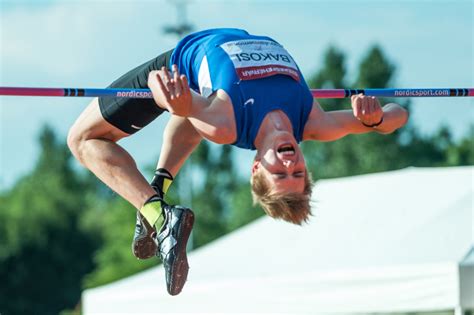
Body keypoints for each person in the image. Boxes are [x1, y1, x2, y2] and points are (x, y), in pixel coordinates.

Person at [67, 28, 408, 295]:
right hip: (213, 76)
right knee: (198, 114)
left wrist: (177, 101)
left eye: (280, 172)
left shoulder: (224, 124)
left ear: (256, 167)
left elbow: (182, 108)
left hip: (176, 67)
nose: (289, 162)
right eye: (298, 171)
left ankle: (159, 217)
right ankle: (155, 195)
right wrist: (376, 118)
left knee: (82, 140)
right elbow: (399, 115)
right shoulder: (314, 123)